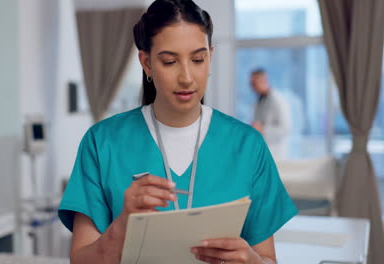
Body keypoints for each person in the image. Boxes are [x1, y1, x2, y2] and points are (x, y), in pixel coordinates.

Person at [59, 1, 297, 263]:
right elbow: (80, 260)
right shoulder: (102, 142)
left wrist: (251, 261)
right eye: (170, 61)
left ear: (210, 56)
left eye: (197, 59)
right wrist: (124, 224)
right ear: (146, 63)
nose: (186, 77)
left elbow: (267, 259)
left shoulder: (247, 146)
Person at [250, 69, 292, 160]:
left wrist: (263, 129)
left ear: (263, 81)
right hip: (263, 151)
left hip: (276, 152)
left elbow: (285, 129)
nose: (252, 87)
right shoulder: (260, 101)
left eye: (254, 84)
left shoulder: (278, 100)